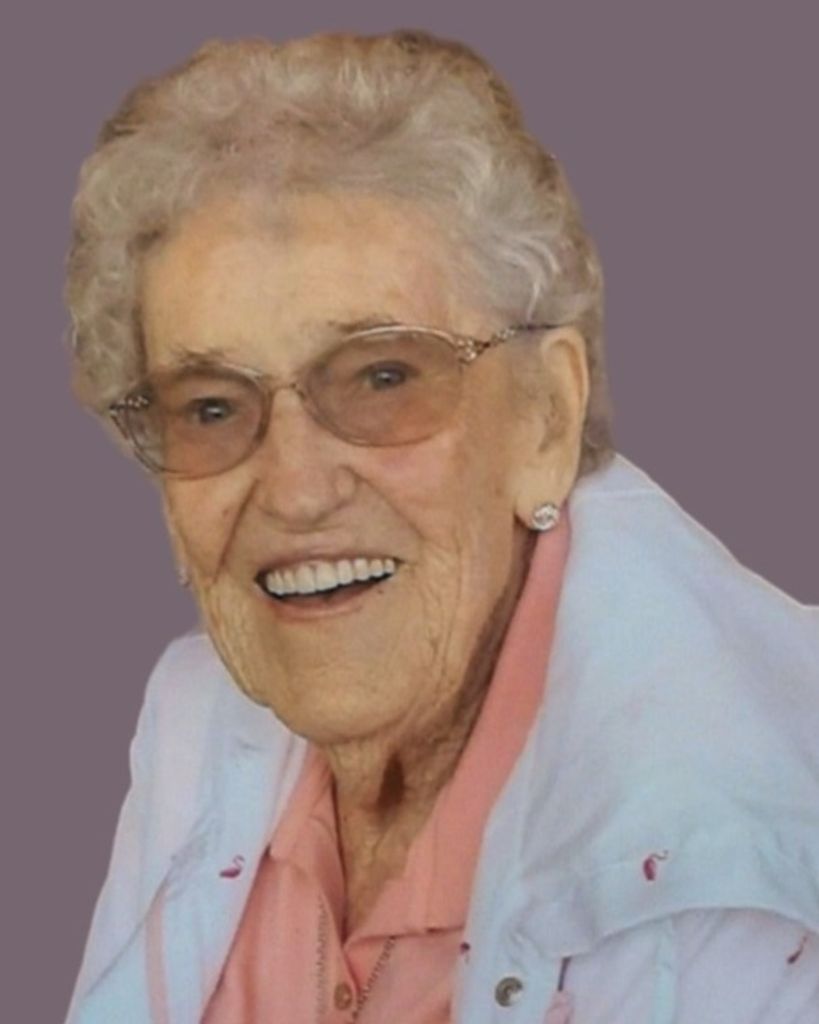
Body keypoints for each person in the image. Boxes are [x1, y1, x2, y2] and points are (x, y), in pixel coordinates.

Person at [64, 29, 818, 1024]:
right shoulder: (191, 721)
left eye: (382, 377)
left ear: (543, 419)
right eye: (210, 406)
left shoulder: (750, 858)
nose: (294, 490)